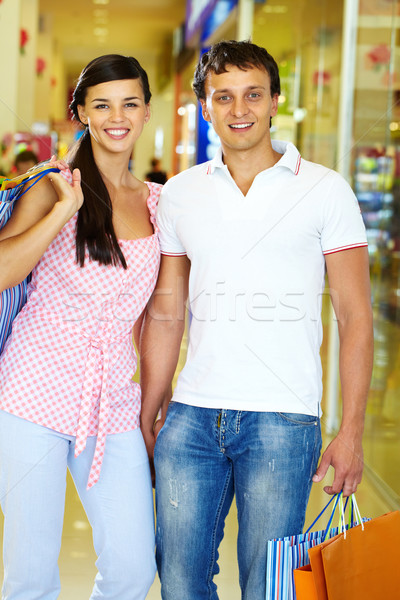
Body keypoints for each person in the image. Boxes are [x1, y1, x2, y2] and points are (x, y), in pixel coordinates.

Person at [140, 40, 374, 599]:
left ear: (275, 101)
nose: (238, 109)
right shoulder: (180, 194)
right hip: (193, 417)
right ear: (205, 107)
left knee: (270, 588)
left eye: (252, 95)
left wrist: (352, 431)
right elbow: (168, 310)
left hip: (283, 420)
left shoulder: (324, 189)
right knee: (179, 582)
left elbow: (355, 314)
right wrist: (153, 405)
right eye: (224, 97)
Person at [0, 54, 162, 599]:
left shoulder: (156, 204)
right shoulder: (52, 188)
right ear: (82, 114)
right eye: (102, 104)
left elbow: (159, 317)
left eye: (130, 103)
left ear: (145, 113)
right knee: (31, 576)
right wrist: (58, 214)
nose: (117, 116)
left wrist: (153, 405)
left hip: (112, 401)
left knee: (133, 569)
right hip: (31, 398)